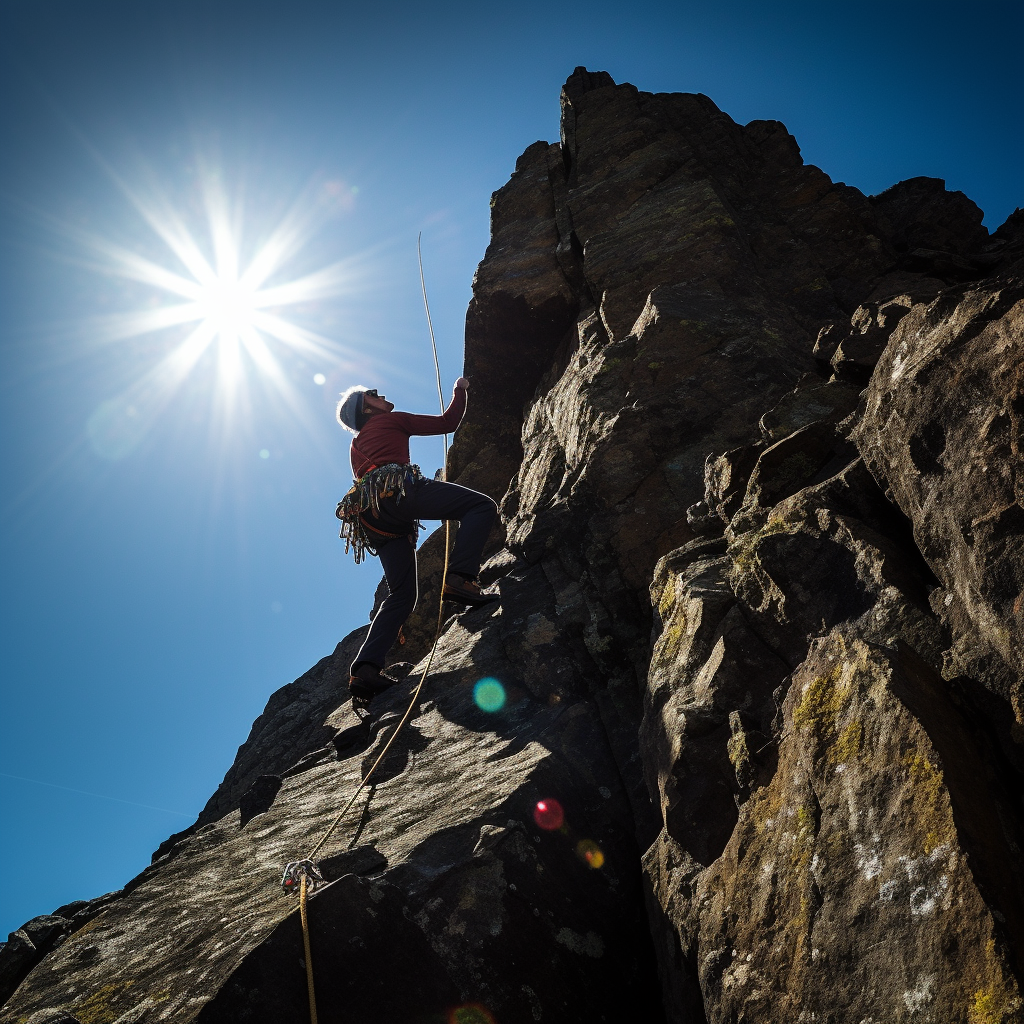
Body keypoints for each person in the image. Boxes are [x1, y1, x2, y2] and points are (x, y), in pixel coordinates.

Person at [335, 378, 499, 703]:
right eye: (373, 395)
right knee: (481, 506)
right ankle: (460, 579)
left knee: (401, 594)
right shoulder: (391, 420)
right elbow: (448, 422)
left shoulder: (356, 446)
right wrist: (461, 390)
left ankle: (365, 670)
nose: (381, 394)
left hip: (371, 513)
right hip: (397, 491)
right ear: (367, 407)